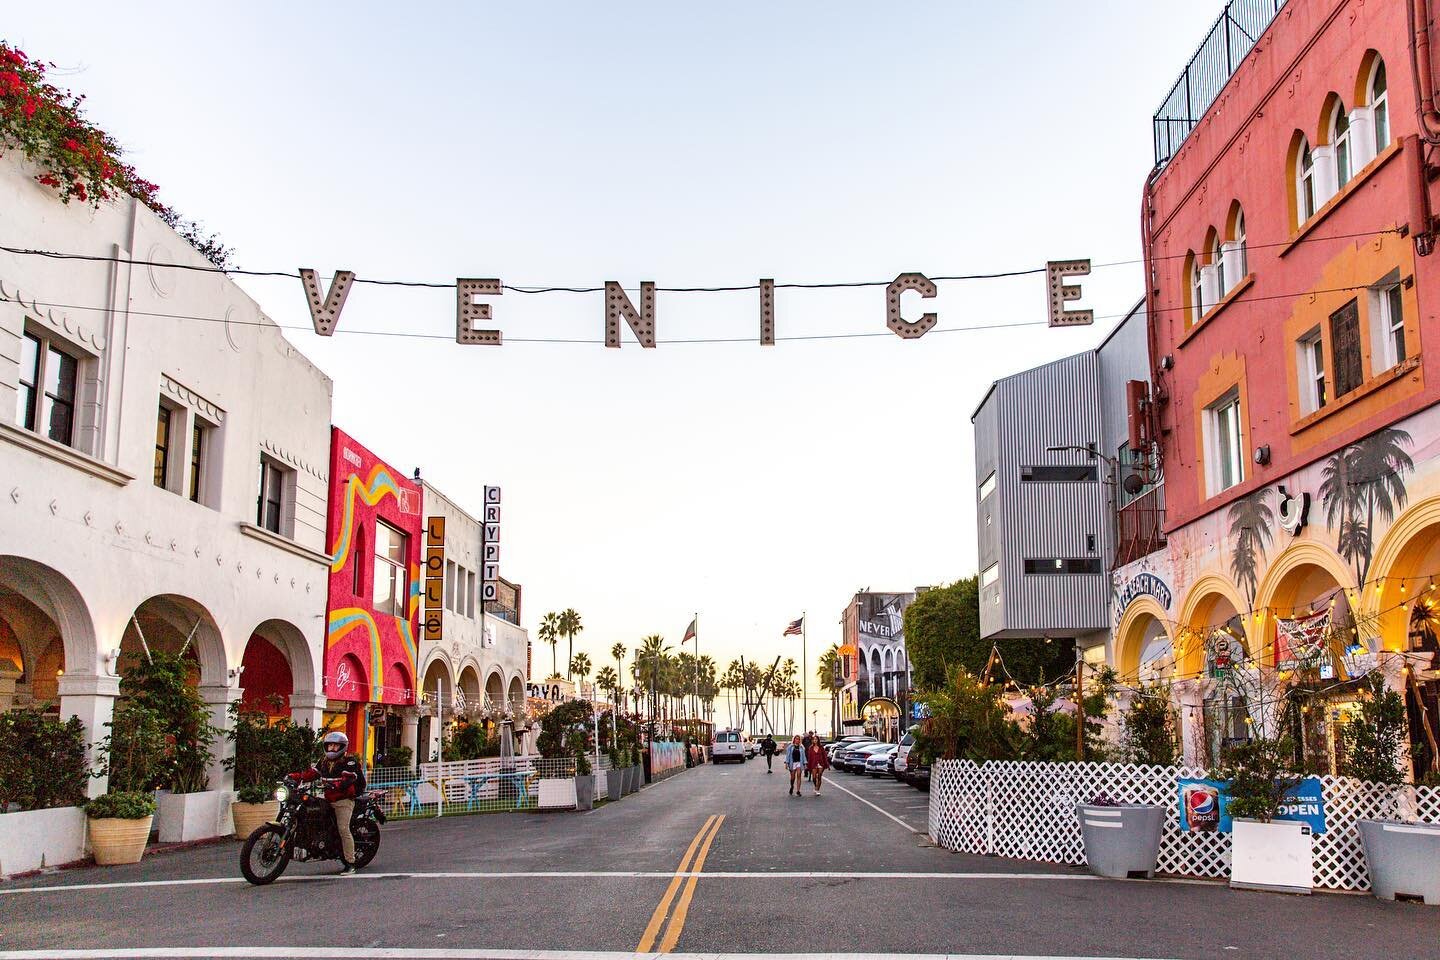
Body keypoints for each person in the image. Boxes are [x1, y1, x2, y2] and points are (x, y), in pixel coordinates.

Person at [289, 730, 364, 874]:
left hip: (343, 800)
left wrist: (339, 784)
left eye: (335, 746)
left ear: (342, 747)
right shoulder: (323, 762)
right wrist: (295, 777)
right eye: (329, 746)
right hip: (328, 799)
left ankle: (350, 862)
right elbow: (312, 773)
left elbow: (349, 777)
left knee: (343, 829)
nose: (332, 749)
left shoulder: (349, 761)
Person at [806, 731, 830, 796]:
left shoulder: (821, 748)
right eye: (814, 739)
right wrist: (808, 766)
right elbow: (809, 758)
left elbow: (824, 756)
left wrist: (827, 764)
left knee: (819, 777)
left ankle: (817, 790)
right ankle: (815, 786)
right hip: (813, 764)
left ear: (818, 740)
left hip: (820, 764)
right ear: (813, 740)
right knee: (814, 778)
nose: (815, 740)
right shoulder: (810, 748)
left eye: (816, 739)